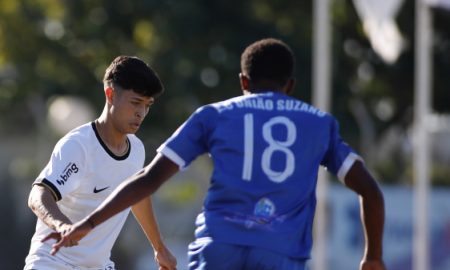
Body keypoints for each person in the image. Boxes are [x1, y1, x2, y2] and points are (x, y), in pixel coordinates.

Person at [46, 39, 386, 270]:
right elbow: (370, 191)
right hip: (281, 254)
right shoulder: (319, 124)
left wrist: (87, 223)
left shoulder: (215, 115)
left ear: (243, 82)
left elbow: (148, 180)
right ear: (291, 85)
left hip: (218, 248)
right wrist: (373, 257)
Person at [24, 55, 177, 270]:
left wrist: (160, 248)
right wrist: (61, 225)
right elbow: (38, 194)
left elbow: (137, 197)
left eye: (147, 105)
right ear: (110, 94)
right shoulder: (78, 145)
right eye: (135, 103)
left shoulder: (137, 149)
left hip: (98, 266)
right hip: (53, 262)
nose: (141, 113)